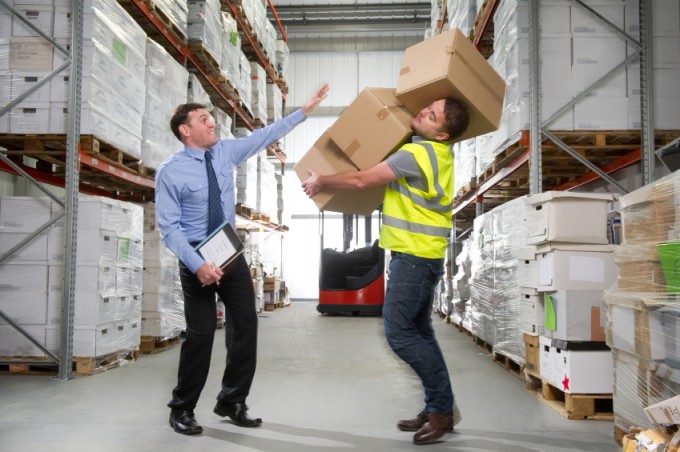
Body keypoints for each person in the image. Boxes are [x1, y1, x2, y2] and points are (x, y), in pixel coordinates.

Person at [156, 83, 329, 435]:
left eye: (211, 117)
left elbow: (265, 136)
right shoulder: (170, 172)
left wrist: (304, 111)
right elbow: (169, 229)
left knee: (246, 325)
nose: (212, 123)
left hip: (229, 254)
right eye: (203, 119)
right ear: (185, 130)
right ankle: (182, 408)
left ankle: (232, 400)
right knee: (201, 333)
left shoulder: (225, 151)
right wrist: (197, 266)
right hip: (196, 258)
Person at [301, 98, 469, 446]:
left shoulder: (416, 154)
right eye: (428, 107)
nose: (422, 111)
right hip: (424, 257)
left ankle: (441, 412)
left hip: (414, 258)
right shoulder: (439, 154)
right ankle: (438, 406)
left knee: (400, 334)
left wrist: (322, 181)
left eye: (431, 115)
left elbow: (362, 180)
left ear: (441, 134)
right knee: (421, 333)